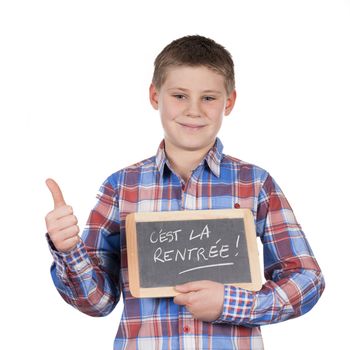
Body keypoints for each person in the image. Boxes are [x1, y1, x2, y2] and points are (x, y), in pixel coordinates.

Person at [45, 35, 325, 350]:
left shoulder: (255, 183)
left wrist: (231, 304)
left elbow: (307, 278)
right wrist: (68, 249)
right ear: (155, 96)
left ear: (228, 103)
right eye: (179, 95)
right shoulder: (121, 187)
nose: (194, 111)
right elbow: (97, 301)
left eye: (208, 98)